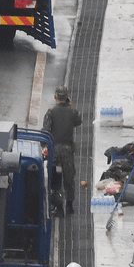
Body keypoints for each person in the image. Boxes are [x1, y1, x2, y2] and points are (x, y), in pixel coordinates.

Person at [42, 86, 82, 215]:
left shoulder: (50, 112)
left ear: (55, 96)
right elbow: (78, 121)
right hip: (67, 150)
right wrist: (71, 106)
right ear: (67, 97)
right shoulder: (72, 112)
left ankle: (57, 207)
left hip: (54, 150)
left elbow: (46, 131)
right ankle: (69, 206)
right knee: (69, 178)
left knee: (54, 179)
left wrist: (43, 145)